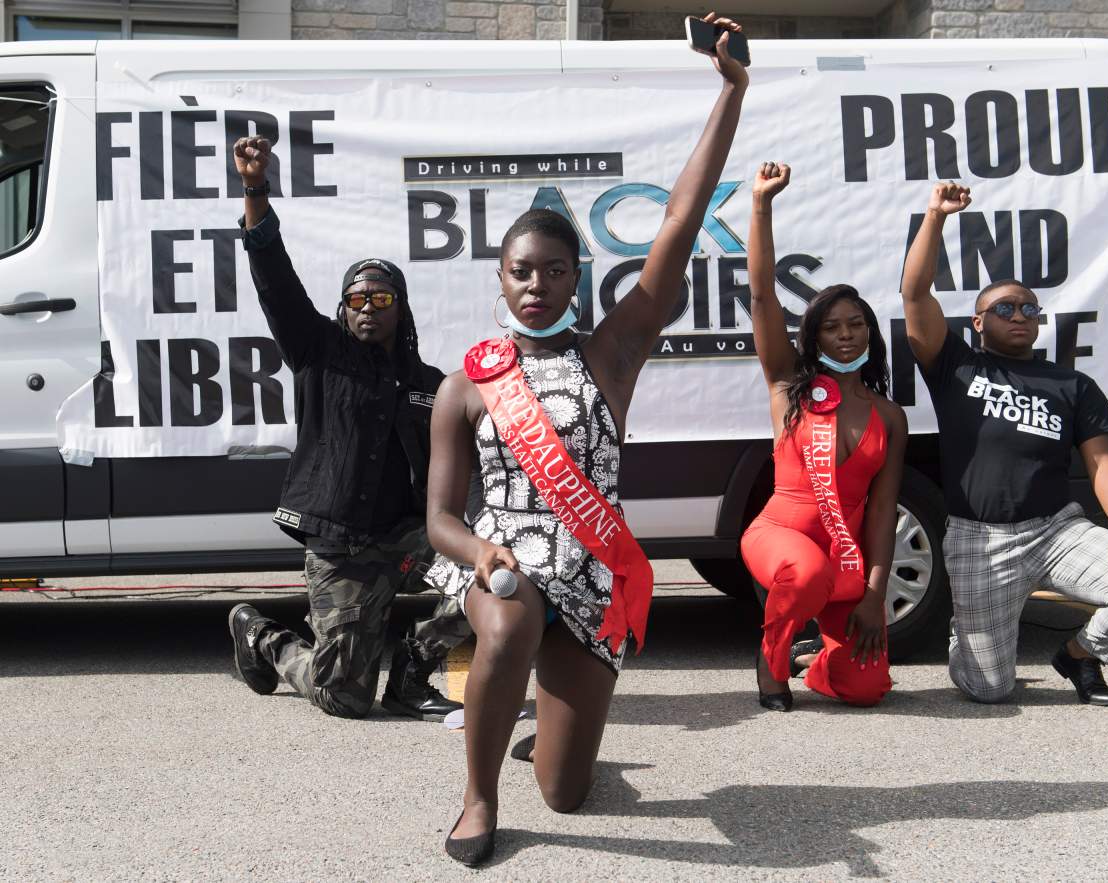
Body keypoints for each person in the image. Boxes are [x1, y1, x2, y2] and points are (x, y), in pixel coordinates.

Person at [423, 13, 748, 865]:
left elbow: (678, 223)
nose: (537, 285)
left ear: (577, 279)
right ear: (500, 278)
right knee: (507, 622)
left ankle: (544, 744)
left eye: (555, 271)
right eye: (521, 271)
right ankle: (477, 796)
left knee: (570, 792)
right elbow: (438, 519)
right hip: (507, 564)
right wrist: (486, 553)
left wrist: (731, 92)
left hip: (593, 572)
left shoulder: (608, 355)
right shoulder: (464, 387)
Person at [901, 181, 1108, 706]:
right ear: (978, 322)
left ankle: (1079, 656)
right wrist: (935, 216)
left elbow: (1102, 464)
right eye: (1006, 308)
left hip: (1056, 530)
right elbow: (915, 294)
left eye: (1029, 308)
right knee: (987, 690)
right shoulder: (956, 365)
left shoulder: (1071, 385)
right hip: (979, 541)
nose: (1021, 315)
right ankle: (973, 638)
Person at [225, 135, 469, 722]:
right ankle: (265, 637)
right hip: (344, 546)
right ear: (343, 308)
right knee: (344, 696)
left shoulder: (428, 382)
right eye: (355, 298)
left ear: (400, 309)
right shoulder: (318, 352)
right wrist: (255, 189)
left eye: (380, 297)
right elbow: (272, 275)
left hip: (409, 540)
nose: (366, 306)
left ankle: (412, 673)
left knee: (491, 575)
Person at [739, 162, 907, 712]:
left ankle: (821, 670)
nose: (843, 335)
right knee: (805, 572)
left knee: (867, 690)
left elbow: (883, 513)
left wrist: (876, 594)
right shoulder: (789, 386)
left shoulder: (889, 415)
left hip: (846, 558)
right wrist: (762, 205)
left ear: (869, 331)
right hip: (779, 539)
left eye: (854, 323)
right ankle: (773, 661)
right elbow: (762, 296)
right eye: (831, 326)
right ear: (814, 336)